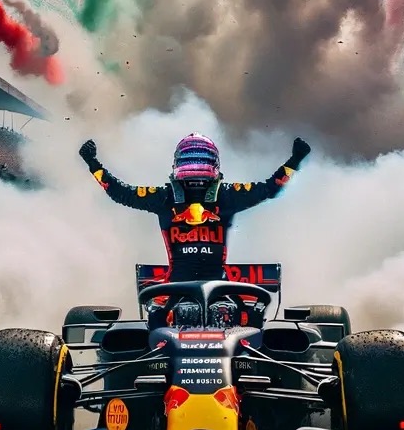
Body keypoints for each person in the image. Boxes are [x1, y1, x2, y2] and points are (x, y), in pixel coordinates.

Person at [80, 133, 310, 326]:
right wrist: (93, 164)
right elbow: (122, 193)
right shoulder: (166, 197)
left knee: (252, 321)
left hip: (221, 290)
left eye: (202, 158)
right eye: (191, 158)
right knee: (154, 323)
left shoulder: (226, 195)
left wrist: (295, 160)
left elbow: (270, 188)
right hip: (173, 293)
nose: (196, 163)